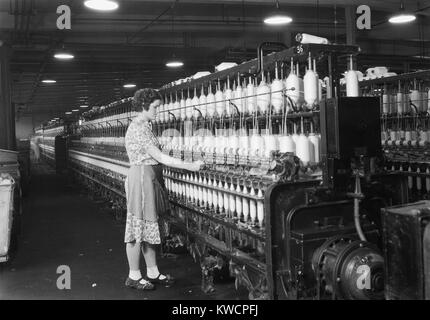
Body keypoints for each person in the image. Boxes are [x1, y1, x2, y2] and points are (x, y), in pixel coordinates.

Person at [124, 88, 204, 290]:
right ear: (144, 106)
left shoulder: (146, 125)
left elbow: (156, 154)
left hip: (149, 176)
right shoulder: (139, 128)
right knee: (137, 227)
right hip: (141, 177)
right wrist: (190, 165)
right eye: (155, 107)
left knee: (150, 226)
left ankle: (152, 272)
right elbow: (159, 157)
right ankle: (133, 276)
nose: (158, 111)